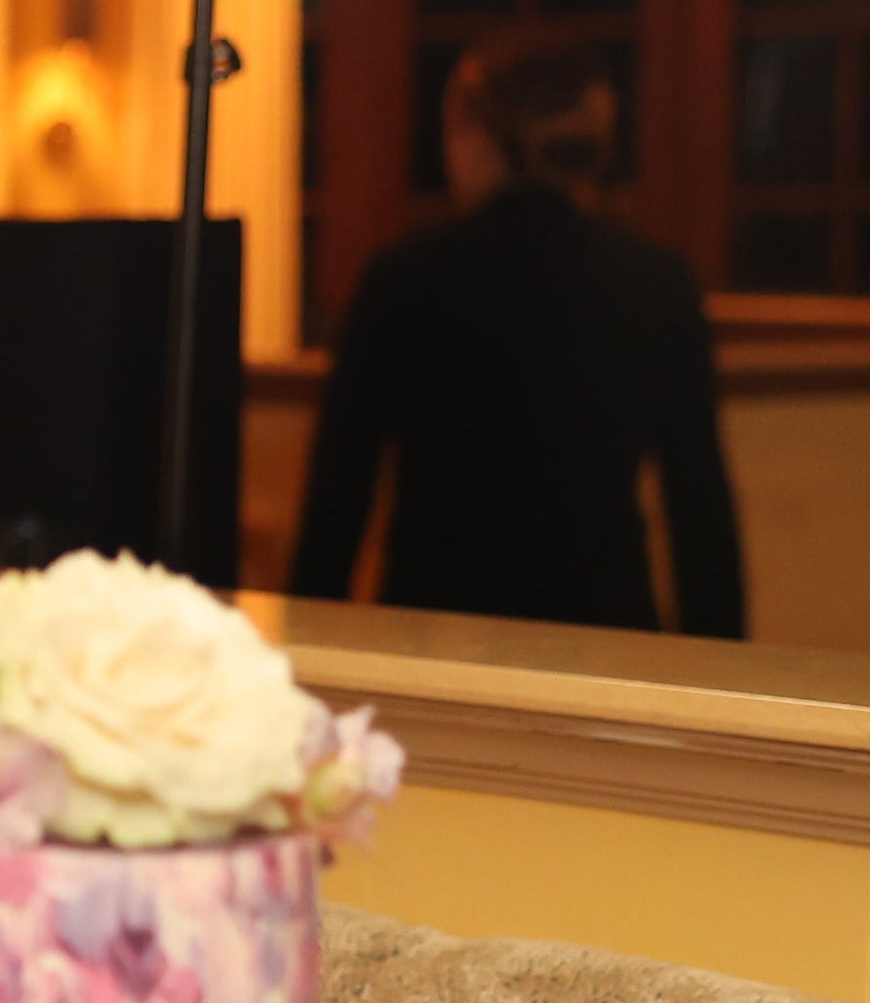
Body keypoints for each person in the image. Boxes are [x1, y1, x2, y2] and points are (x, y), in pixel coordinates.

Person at [289, 33, 749, 637]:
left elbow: (337, 502)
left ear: (480, 142)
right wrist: (716, 675)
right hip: (605, 635)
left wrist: (305, 662)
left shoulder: (403, 279)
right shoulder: (656, 284)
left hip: (434, 631)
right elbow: (699, 511)